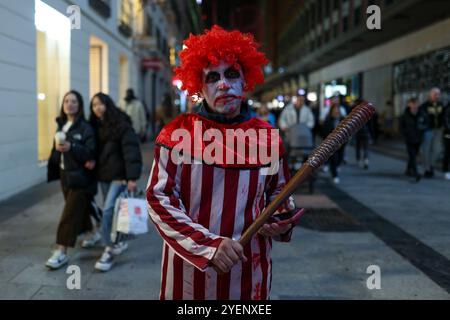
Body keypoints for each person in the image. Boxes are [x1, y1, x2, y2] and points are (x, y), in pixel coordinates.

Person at [146, 25, 303, 300]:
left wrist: (280, 219)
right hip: (188, 281)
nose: (223, 84)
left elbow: (279, 193)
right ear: (199, 86)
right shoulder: (175, 135)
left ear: (245, 81)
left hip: (250, 278)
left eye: (231, 74)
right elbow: (159, 199)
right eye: (212, 77)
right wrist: (208, 247)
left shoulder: (267, 137)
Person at [89, 93, 143, 272]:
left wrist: (132, 178)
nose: (97, 108)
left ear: (108, 104)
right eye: (94, 105)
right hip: (104, 175)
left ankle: (109, 249)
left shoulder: (121, 124)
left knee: (108, 210)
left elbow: (131, 151)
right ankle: (118, 240)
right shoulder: (95, 125)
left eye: (101, 104)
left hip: (119, 176)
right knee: (111, 210)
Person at [46, 90, 99, 269]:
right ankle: (92, 232)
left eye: (74, 101)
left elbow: (91, 152)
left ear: (80, 105)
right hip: (64, 174)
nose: (70, 104)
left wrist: (72, 146)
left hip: (81, 177)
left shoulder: (85, 127)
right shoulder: (61, 125)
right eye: (67, 101)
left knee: (69, 214)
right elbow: (55, 152)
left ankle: (60, 251)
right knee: (78, 208)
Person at [419, 88, 445, 178]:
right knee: (426, 149)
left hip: (438, 130)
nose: (437, 96)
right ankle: (427, 169)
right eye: (435, 94)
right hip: (428, 130)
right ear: (430, 95)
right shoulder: (424, 106)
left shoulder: (441, 105)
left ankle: (432, 165)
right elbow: (421, 118)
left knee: (437, 149)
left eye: (438, 94)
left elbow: (444, 116)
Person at [400, 97, 427, 182]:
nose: (415, 105)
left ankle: (408, 169)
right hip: (409, 139)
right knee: (412, 155)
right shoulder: (405, 115)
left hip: (418, 138)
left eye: (416, 103)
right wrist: (405, 134)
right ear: (409, 104)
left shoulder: (422, 114)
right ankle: (415, 173)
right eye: (413, 103)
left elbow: (426, 123)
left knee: (414, 155)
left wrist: (422, 129)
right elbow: (401, 127)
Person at [323, 104, 345, 184]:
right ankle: (335, 175)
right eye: (334, 110)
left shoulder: (343, 119)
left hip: (342, 142)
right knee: (333, 158)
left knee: (340, 157)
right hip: (331, 143)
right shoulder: (328, 119)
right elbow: (325, 131)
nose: (336, 111)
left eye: (337, 110)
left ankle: (335, 167)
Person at [443, 102, 450, 180]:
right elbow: (446, 120)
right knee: (448, 152)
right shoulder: (448, 107)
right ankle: (446, 170)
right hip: (448, 134)